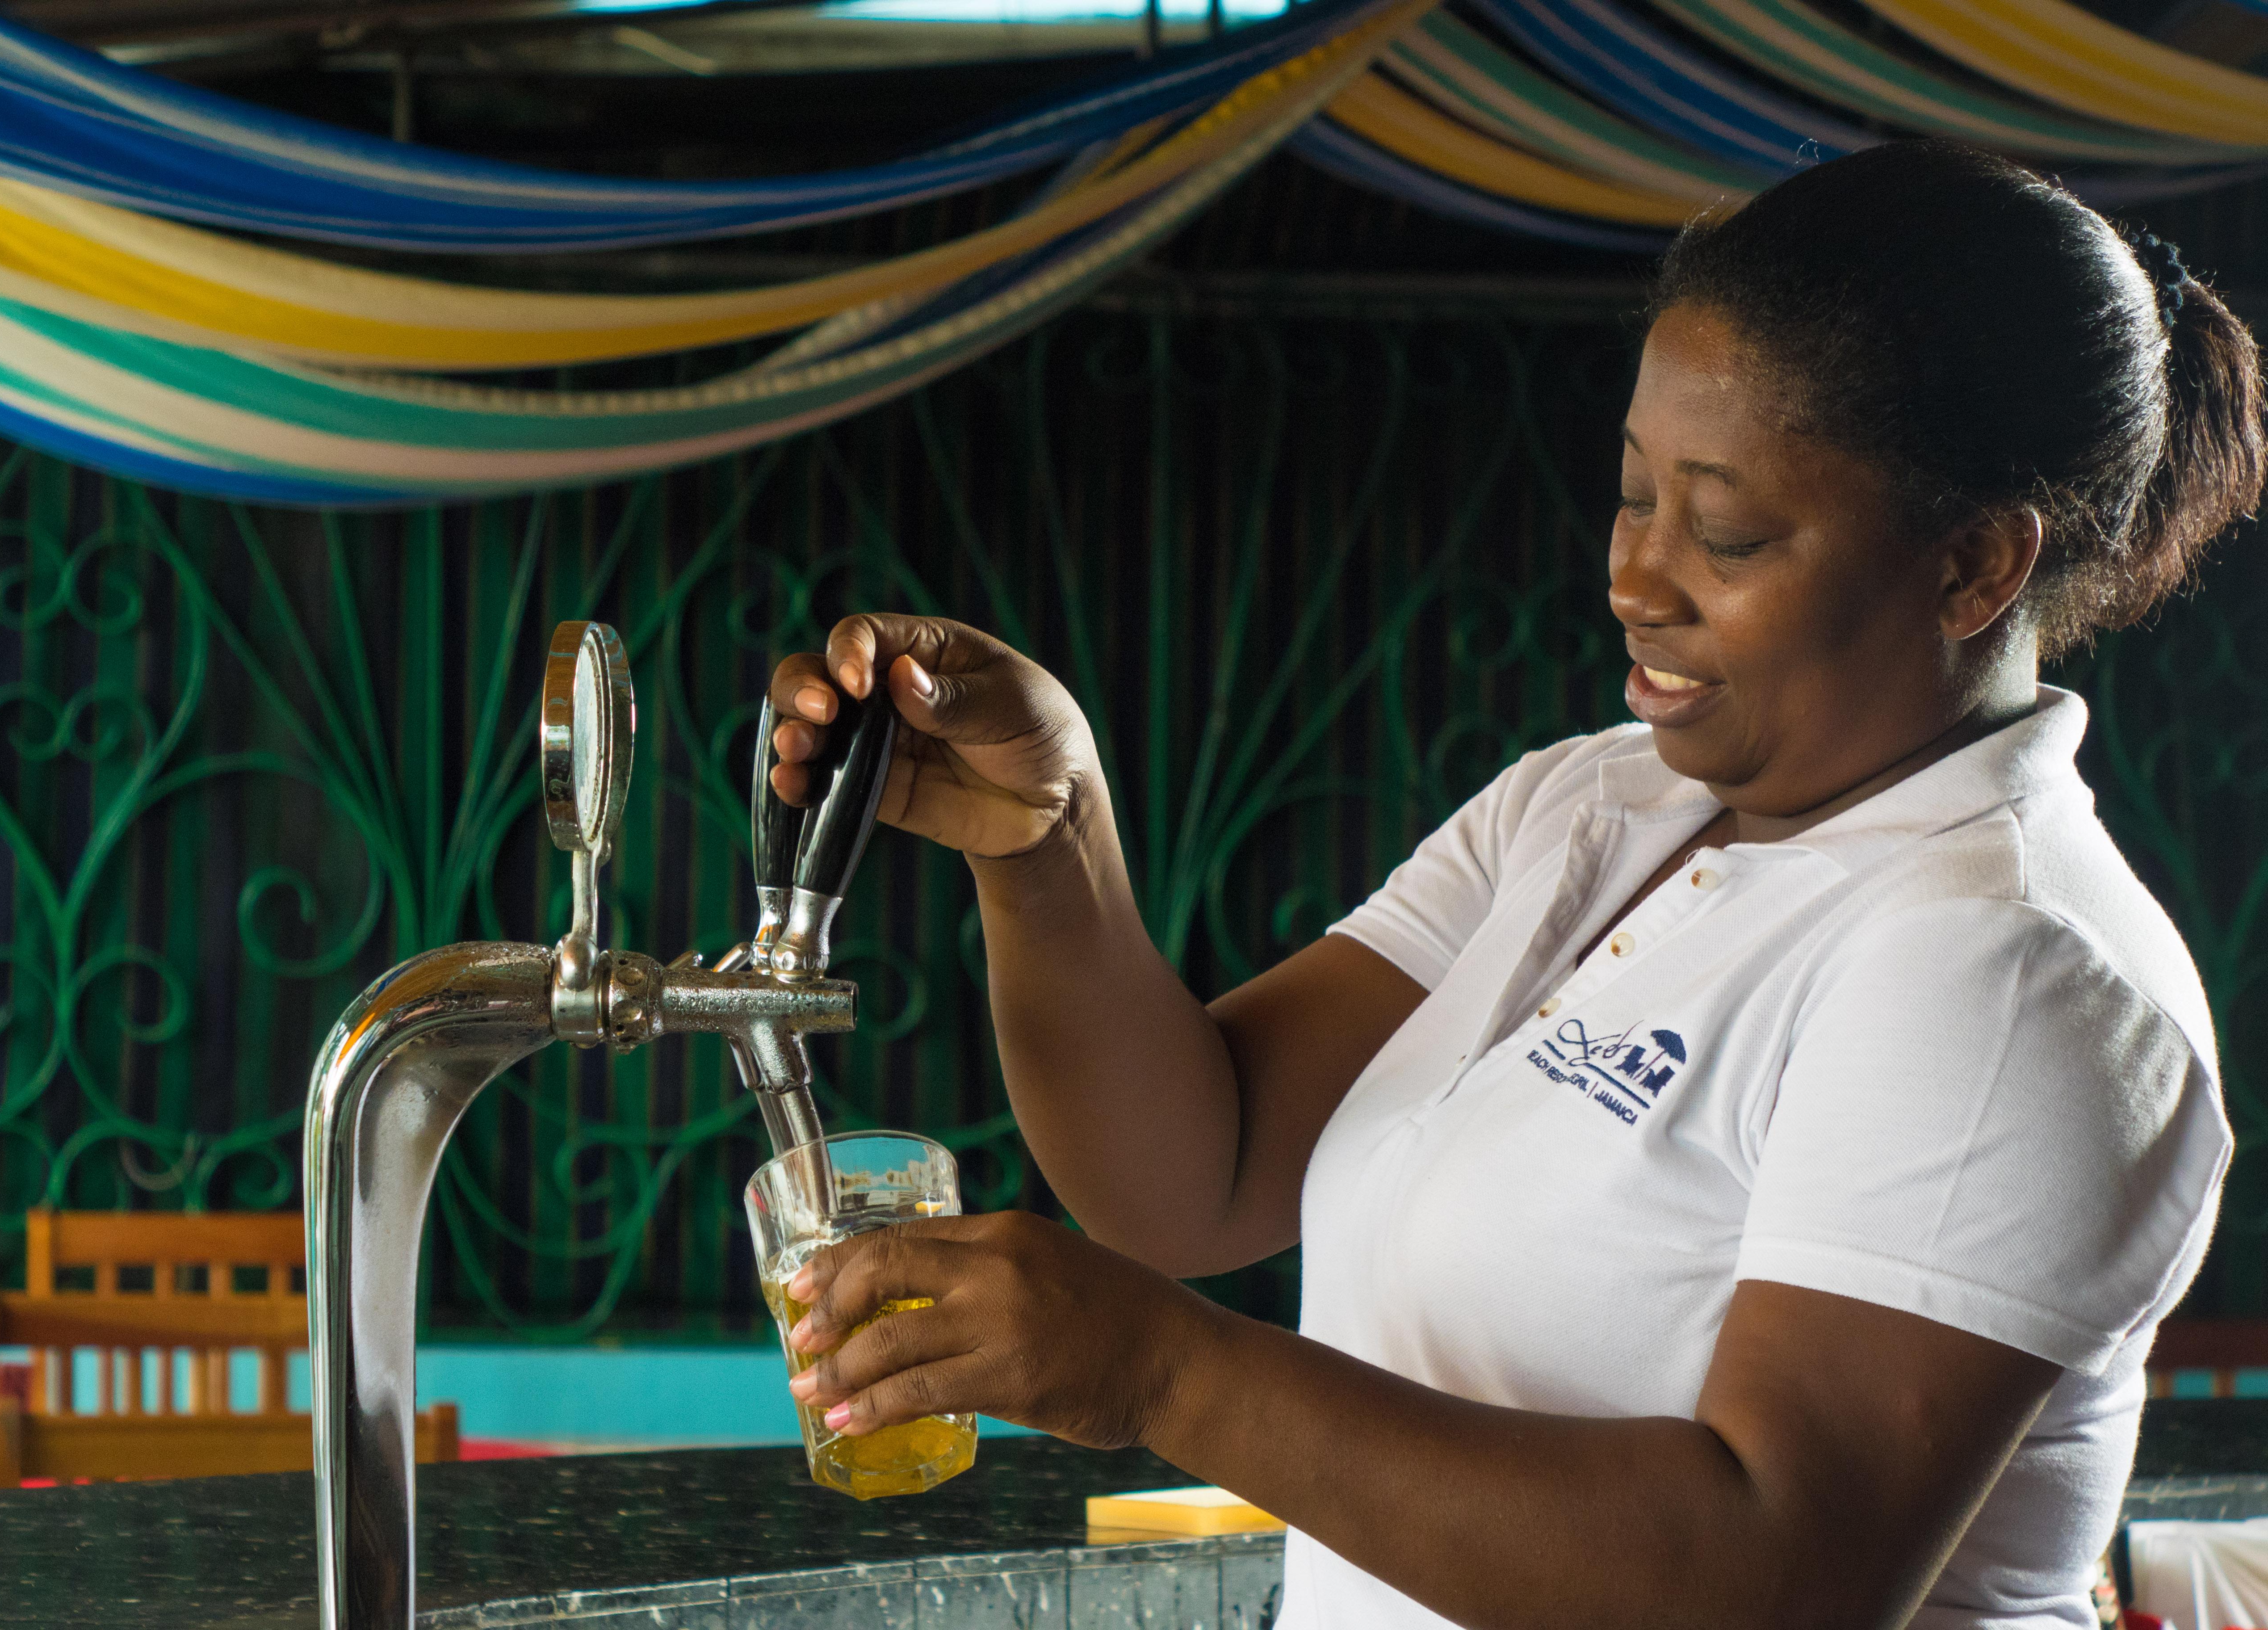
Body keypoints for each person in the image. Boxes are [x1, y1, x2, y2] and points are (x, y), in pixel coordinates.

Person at [760, 141, 2260, 1628]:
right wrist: (1050, 835)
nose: (1637, 577)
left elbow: (1776, 1571)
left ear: (1977, 567)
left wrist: (1163, 1371)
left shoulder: (2011, 969)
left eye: (1725, 531)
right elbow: (1192, 1176)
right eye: (1633, 497)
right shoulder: (1592, 806)